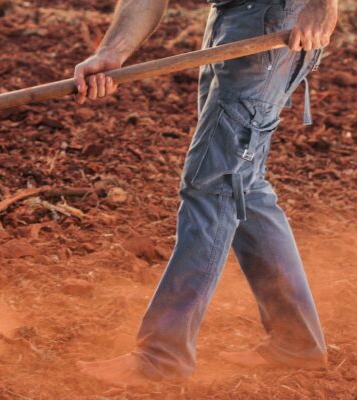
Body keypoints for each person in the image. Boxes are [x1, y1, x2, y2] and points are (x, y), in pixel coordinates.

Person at [73, 0, 338, 385]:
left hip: (277, 16)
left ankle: (161, 357)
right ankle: (296, 340)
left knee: (213, 184)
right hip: (234, 19)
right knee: (240, 181)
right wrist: (111, 52)